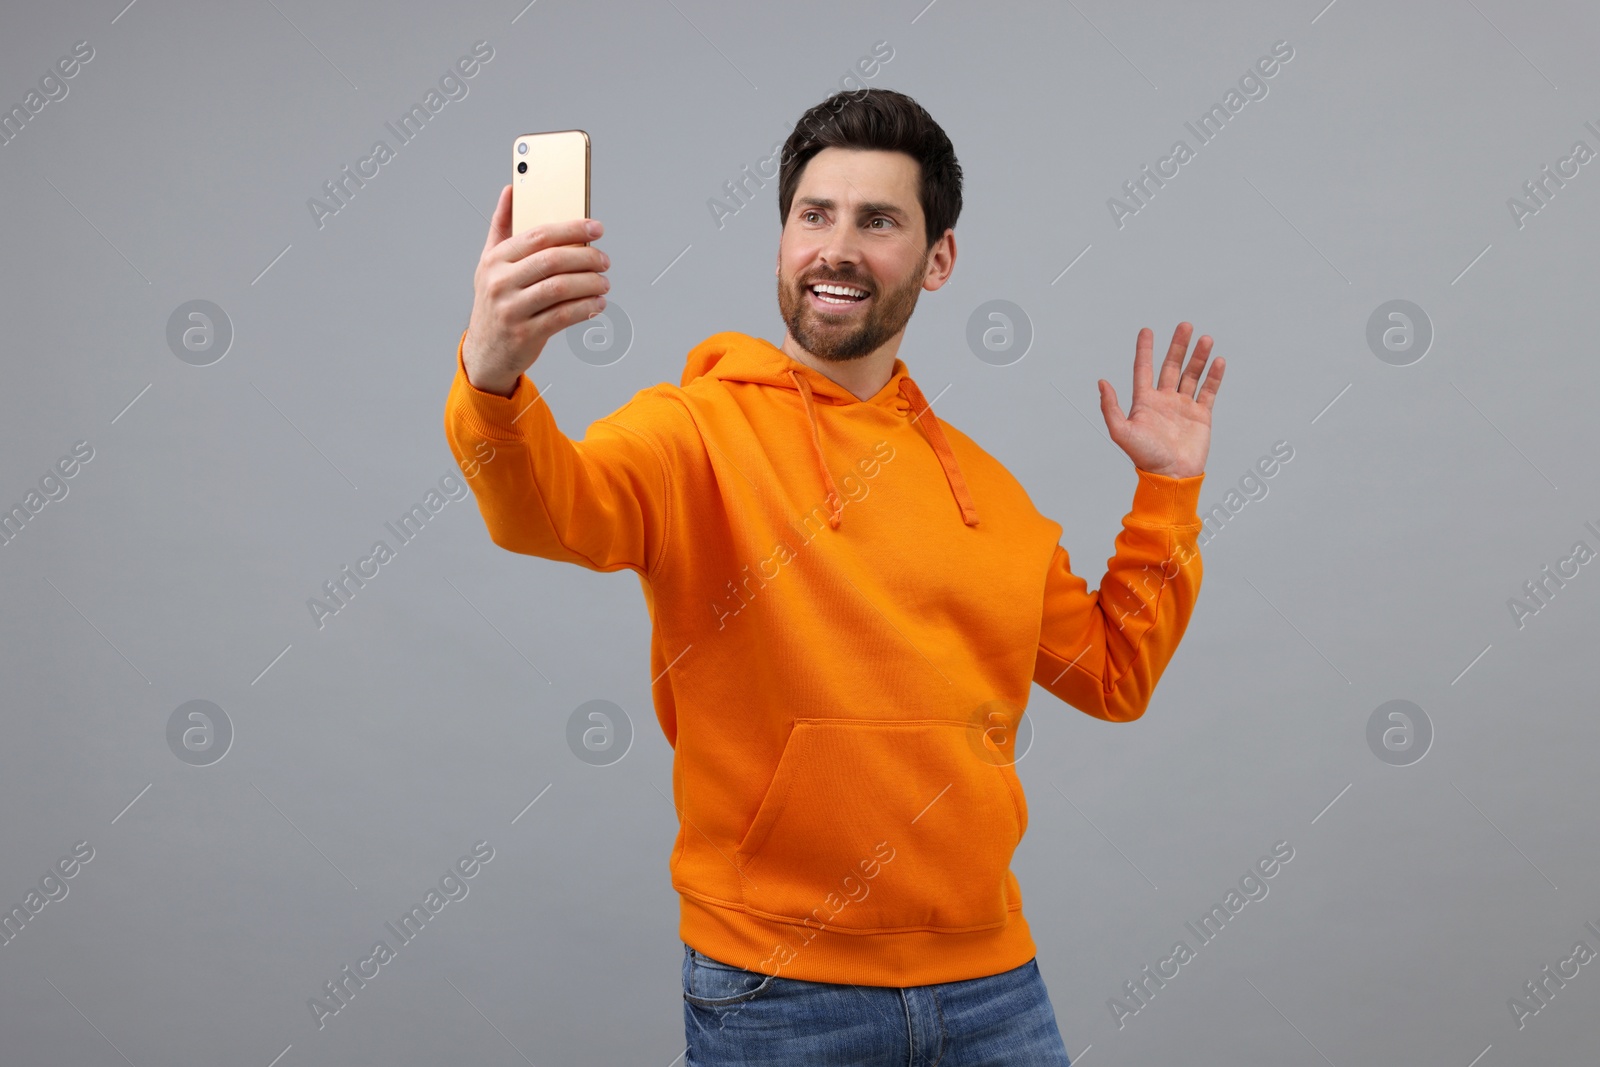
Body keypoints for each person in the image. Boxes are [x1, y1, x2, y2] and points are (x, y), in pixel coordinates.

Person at [443, 87, 1224, 1066]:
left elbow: (1114, 673)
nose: (836, 246)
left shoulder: (990, 493)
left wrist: (1168, 488)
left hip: (992, 985)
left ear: (938, 259)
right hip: (778, 989)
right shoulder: (692, 433)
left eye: (878, 220)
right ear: (781, 241)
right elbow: (543, 508)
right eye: (813, 215)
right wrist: (494, 371)